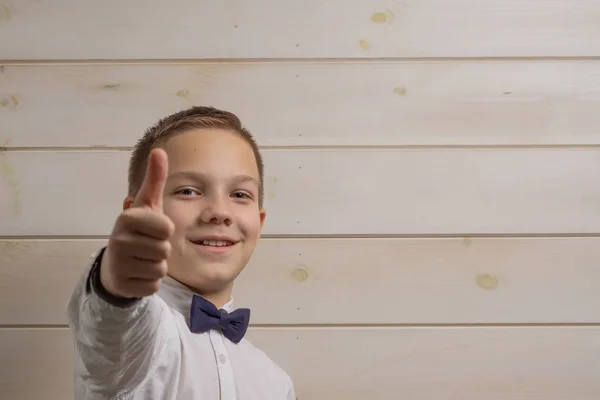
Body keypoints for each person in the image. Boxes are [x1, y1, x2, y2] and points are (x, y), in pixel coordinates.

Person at [66, 106, 296, 399]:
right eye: (188, 191)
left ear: (259, 223)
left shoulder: (276, 383)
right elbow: (112, 328)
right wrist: (116, 280)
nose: (219, 212)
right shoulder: (143, 337)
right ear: (136, 212)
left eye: (239, 194)